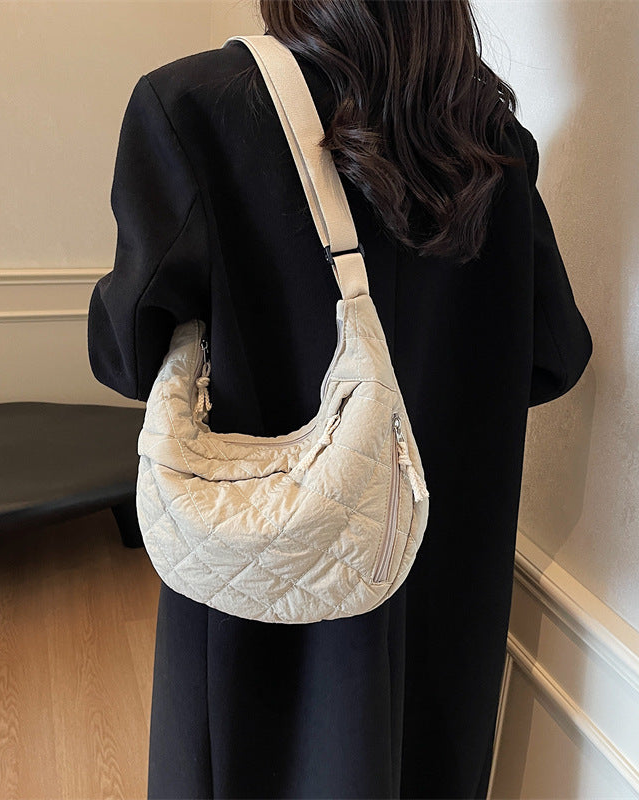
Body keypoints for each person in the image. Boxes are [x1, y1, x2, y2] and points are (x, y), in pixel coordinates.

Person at [87, 1, 593, 797]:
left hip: (265, 572)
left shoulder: (192, 106)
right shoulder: (488, 136)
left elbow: (127, 357)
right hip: (441, 580)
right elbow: (554, 357)